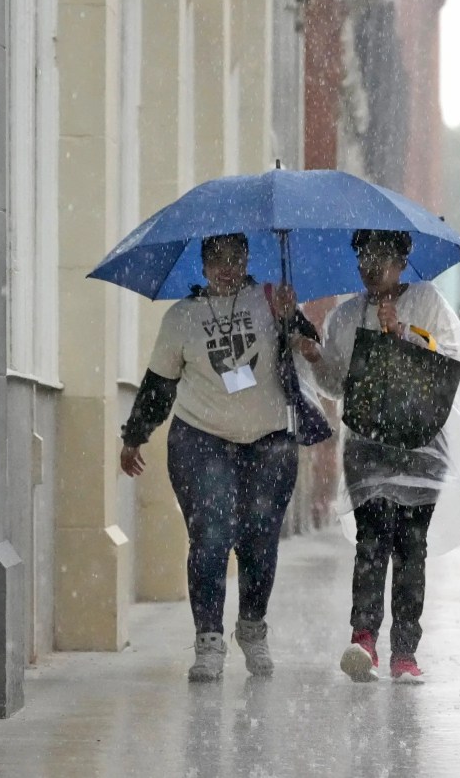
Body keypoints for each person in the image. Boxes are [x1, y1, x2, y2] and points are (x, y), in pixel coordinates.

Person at [119, 233, 319, 682]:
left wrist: (293, 322)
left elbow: (311, 347)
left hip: (268, 440)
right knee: (210, 536)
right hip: (201, 439)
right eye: (217, 259)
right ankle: (208, 640)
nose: (227, 267)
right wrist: (135, 435)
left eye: (236, 258)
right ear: (203, 264)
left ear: (248, 259)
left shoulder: (269, 299)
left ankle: (252, 628)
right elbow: (158, 386)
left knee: (260, 541)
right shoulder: (181, 318)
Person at [295, 229, 460, 684]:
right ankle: (363, 638)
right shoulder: (346, 316)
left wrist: (401, 334)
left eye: (381, 258)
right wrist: (315, 358)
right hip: (367, 443)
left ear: (402, 262)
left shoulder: (428, 303)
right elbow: (335, 385)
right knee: (371, 542)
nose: (371, 267)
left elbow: (452, 362)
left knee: (409, 547)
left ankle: (405, 650)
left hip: (421, 443)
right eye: (363, 257)